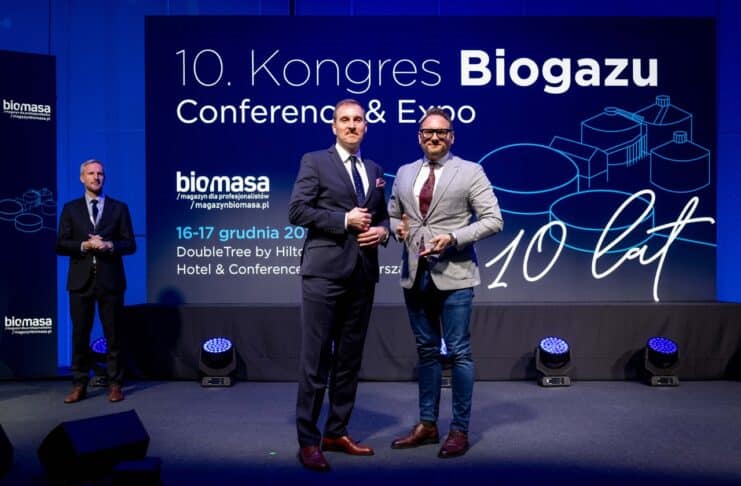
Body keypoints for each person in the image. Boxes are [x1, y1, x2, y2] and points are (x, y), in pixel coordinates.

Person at [388, 107, 503, 458]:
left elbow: (493, 219)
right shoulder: (404, 173)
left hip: (456, 276)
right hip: (415, 276)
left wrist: (453, 238)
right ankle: (427, 425)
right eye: (428, 132)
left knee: (459, 353)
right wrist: (397, 228)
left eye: (441, 132)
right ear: (419, 137)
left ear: (452, 136)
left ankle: (459, 430)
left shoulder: (470, 171)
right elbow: (392, 214)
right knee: (426, 352)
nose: (434, 137)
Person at [288, 99, 390, 472]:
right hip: (324, 274)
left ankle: (336, 432)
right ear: (334, 127)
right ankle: (308, 440)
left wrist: (383, 232)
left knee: (349, 360)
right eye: (344, 120)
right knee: (316, 360)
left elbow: (383, 218)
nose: (351, 125)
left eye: (358, 120)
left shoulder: (374, 169)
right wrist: (343, 220)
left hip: (362, 275)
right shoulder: (315, 161)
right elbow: (297, 211)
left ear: (366, 126)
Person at [56, 159, 136, 403]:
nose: (96, 177)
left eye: (100, 173)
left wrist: (109, 245)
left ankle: (115, 384)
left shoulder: (119, 208)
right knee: (80, 335)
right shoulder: (70, 209)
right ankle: (79, 384)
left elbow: (130, 244)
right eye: (91, 173)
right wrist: (84, 245)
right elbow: (61, 244)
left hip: (110, 281)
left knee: (114, 336)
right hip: (80, 283)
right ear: (82, 178)